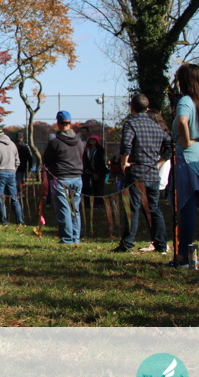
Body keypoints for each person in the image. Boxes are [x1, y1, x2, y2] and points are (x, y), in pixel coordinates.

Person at [115, 93, 171, 254]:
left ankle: (127, 243)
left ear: (131, 108)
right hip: (152, 173)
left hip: (136, 172)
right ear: (147, 109)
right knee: (154, 209)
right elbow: (169, 144)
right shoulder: (156, 126)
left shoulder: (130, 124)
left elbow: (126, 144)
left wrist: (124, 162)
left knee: (132, 209)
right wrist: (159, 163)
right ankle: (161, 244)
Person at [42, 110, 85, 245]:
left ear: (58, 123)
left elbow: (47, 159)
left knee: (64, 209)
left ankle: (67, 239)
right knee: (74, 209)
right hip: (77, 177)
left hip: (61, 178)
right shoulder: (79, 141)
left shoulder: (55, 142)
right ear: (70, 123)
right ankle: (75, 238)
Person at [172, 63, 199, 267]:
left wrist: (187, 140)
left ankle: (183, 256)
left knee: (188, 209)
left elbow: (182, 121)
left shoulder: (186, 100)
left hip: (187, 160)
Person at [82, 135, 107, 212]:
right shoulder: (87, 150)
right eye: (91, 140)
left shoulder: (100, 149)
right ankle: (93, 203)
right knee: (94, 187)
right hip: (91, 171)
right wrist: (92, 172)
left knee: (100, 188)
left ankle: (99, 204)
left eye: (94, 140)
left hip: (100, 171)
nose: (92, 141)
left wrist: (97, 173)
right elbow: (87, 161)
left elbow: (100, 162)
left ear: (97, 141)